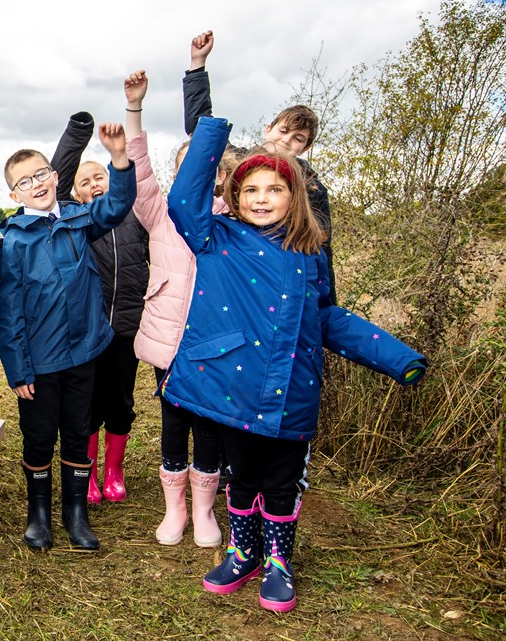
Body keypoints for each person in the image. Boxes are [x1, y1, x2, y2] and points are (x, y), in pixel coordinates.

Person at [166, 115, 427, 612]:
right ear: (235, 199)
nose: (261, 198)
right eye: (251, 191)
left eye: (274, 189)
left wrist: (396, 357)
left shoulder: (310, 252)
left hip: (292, 390)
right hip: (233, 389)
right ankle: (243, 552)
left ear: (295, 197)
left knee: (281, 482)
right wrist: (209, 129)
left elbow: (328, 317)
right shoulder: (216, 237)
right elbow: (183, 198)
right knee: (240, 477)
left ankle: (278, 561)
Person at [0, 120, 137, 551]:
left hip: (85, 354)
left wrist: (118, 158)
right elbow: (9, 312)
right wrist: (18, 370)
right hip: (40, 364)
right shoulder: (14, 242)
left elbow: (117, 205)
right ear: (14, 194)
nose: (35, 184)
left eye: (41, 174)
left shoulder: (78, 219)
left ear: (55, 177)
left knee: (78, 432)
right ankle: (38, 515)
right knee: (39, 438)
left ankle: (76, 513)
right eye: (24, 182)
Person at [110, 71, 226, 547]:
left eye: (209, 167)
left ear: (219, 173)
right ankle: (175, 509)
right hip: (169, 340)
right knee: (175, 421)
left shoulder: (234, 219)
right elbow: (138, 170)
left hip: (218, 342)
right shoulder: (159, 212)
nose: (199, 175)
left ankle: (205, 510)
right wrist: (134, 109)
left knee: (213, 425)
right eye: (186, 166)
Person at [182, 30, 337, 303]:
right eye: (284, 130)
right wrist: (198, 65)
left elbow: (321, 248)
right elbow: (202, 131)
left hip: (278, 281)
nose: (286, 141)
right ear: (269, 129)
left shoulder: (311, 188)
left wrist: (324, 309)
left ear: (305, 148)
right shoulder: (237, 162)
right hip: (231, 270)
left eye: (297, 138)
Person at [50, 107, 149, 506]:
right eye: (84, 182)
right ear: (76, 193)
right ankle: (87, 473)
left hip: (127, 324)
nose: (93, 185)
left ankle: (115, 471)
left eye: (99, 177)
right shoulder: (75, 220)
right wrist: (78, 132)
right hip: (90, 329)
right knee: (88, 403)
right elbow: (54, 184)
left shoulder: (134, 214)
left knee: (121, 401)